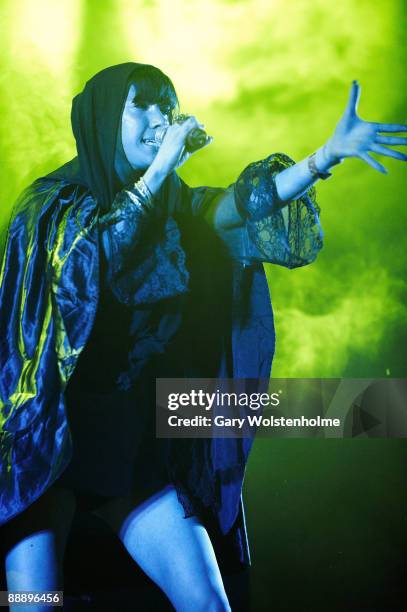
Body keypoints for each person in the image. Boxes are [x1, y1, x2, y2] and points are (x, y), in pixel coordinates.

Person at [0, 62, 405, 611]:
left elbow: (243, 207)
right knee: (35, 606)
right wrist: (163, 165)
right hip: (43, 456)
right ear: (101, 118)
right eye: (138, 104)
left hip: (126, 455)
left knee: (209, 605)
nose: (157, 117)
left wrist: (323, 159)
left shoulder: (176, 208)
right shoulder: (52, 206)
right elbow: (92, 263)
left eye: (165, 105)